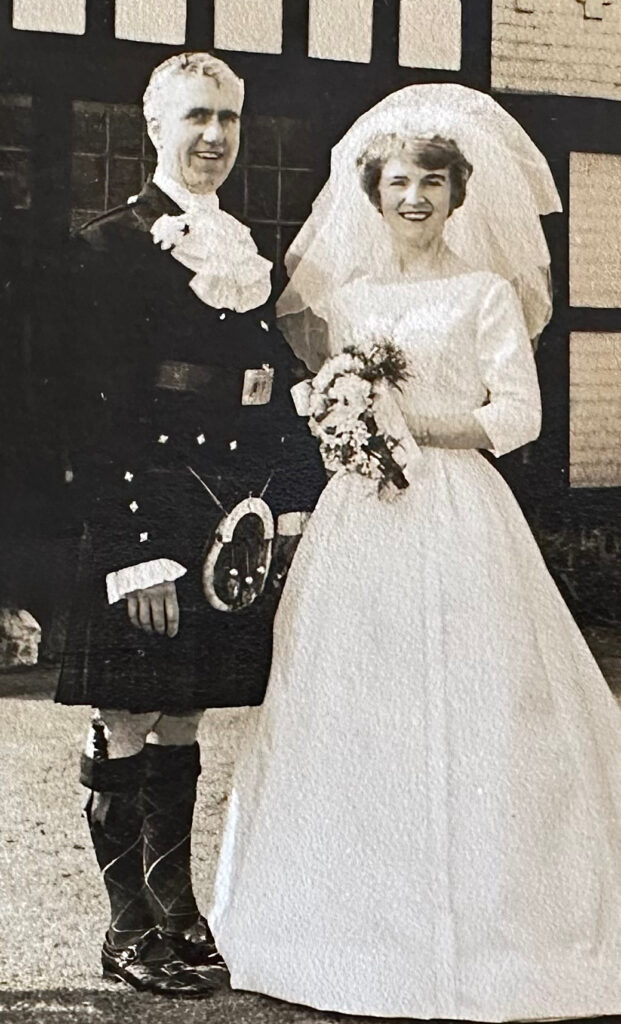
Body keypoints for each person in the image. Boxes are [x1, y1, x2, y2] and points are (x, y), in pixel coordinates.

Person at [209, 84, 621, 1020]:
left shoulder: (484, 294)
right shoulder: (348, 301)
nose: (414, 198)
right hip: (362, 517)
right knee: (357, 699)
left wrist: (416, 426)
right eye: (398, 183)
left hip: (459, 511)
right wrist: (345, 421)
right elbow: (329, 404)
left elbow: (518, 415)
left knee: (478, 702)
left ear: (456, 195)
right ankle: (352, 927)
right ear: (374, 193)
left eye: (432, 183)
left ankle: (498, 928)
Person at [53, 52, 324, 997]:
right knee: (126, 717)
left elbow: (264, 400)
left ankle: (176, 911)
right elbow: (89, 415)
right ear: (154, 127)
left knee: (182, 715)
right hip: (145, 523)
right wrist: (136, 554)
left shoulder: (245, 253)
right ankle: (126, 928)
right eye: (196, 117)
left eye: (229, 119)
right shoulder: (106, 248)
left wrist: (277, 511)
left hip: (219, 526)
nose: (214, 136)